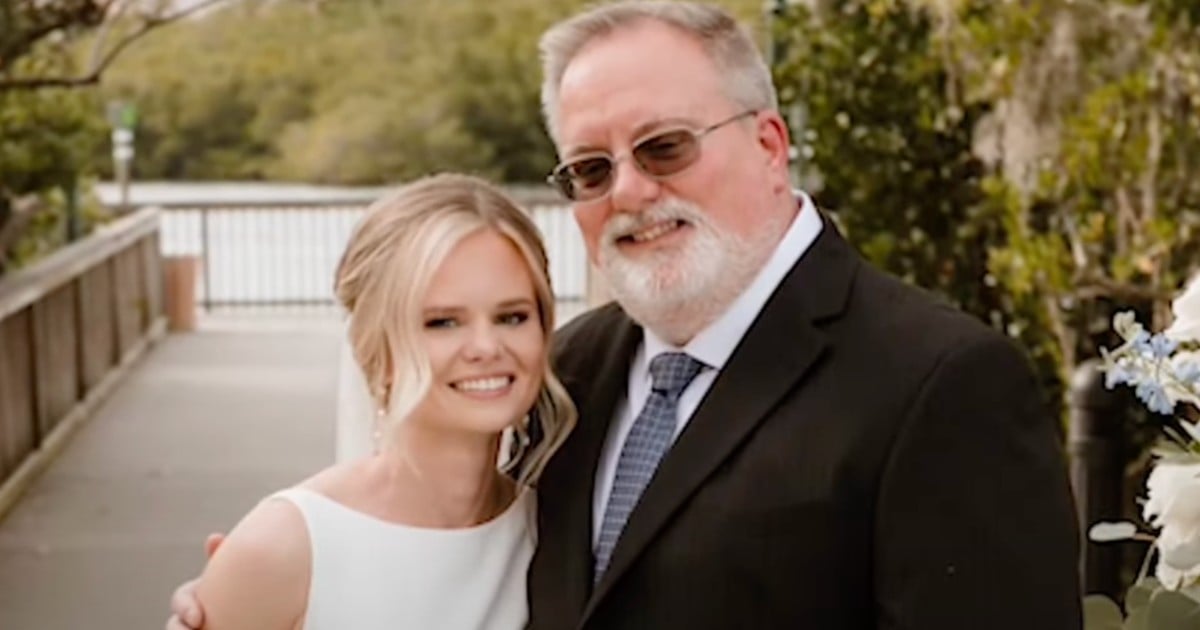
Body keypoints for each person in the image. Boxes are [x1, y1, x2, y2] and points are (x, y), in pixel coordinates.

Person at [171, 2, 1083, 628]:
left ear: (769, 142)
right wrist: (283, 581)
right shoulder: (570, 369)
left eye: (664, 147)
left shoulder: (941, 381)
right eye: (592, 169)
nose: (633, 191)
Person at [177, 173, 575, 629]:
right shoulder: (287, 546)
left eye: (512, 317)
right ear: (376, 349)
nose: (486, 346)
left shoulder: (550, 533)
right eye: (442, 322)